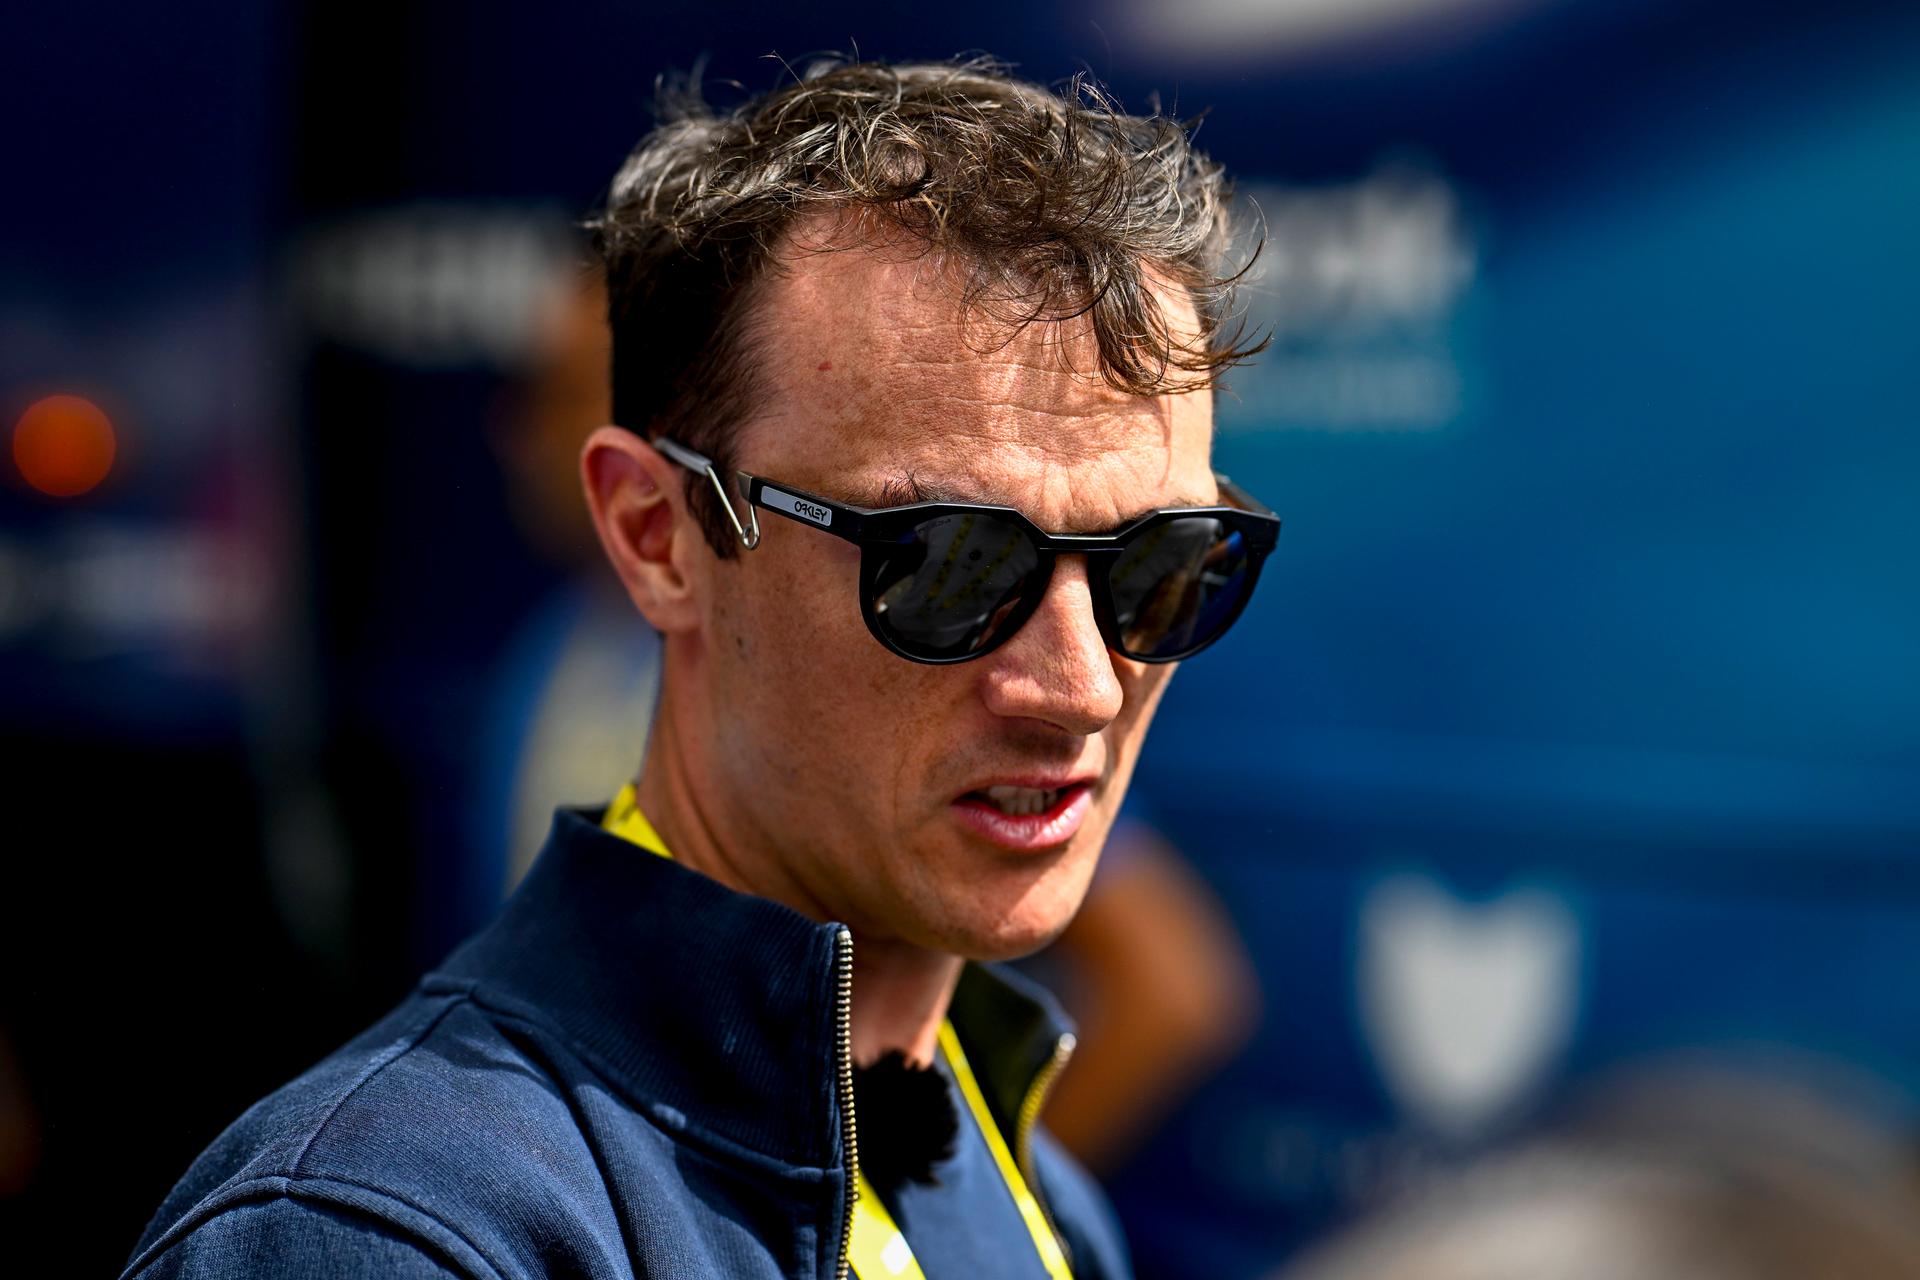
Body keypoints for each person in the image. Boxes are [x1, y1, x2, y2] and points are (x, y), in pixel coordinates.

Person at [123, 57, 1279, 1279]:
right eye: (946, 560)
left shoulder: (1036, 1205)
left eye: (1164, 559)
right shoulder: (382, 1235)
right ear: (655, 534)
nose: (1087, 682)